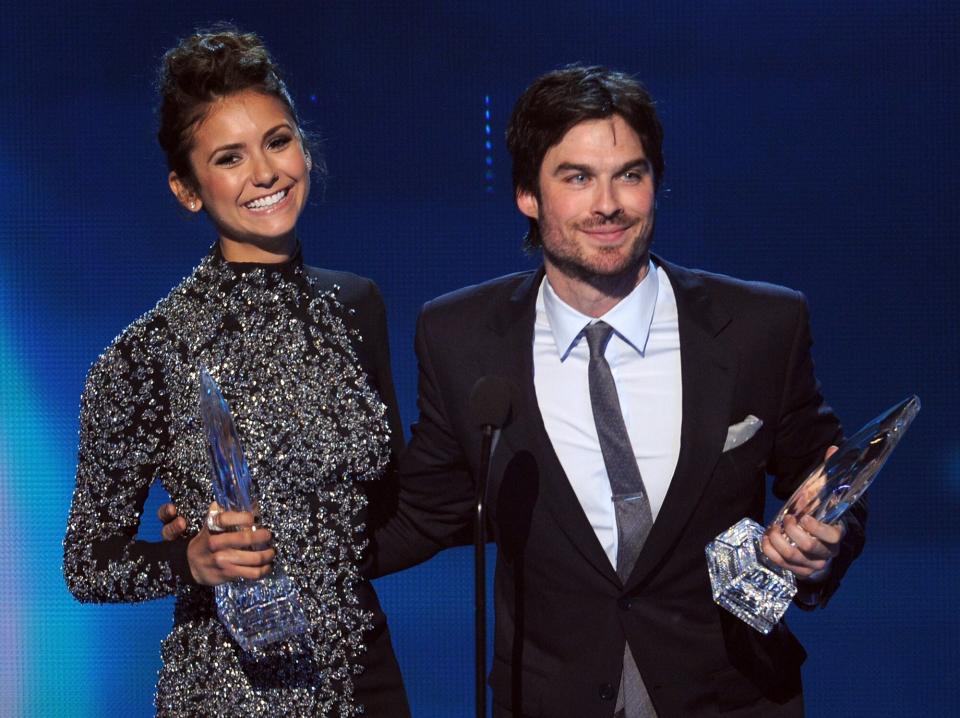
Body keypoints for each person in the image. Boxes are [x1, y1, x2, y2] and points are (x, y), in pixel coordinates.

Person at [365, 66, 867, 716]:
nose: (608, 204)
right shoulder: (460, 335)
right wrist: (277, 553)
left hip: (730, 695)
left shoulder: (760, 326)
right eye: (577, 178)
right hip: (550, 697)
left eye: (630, 174)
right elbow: (425, 510)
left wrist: (824, 544)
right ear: (527, 192)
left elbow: (828, 479)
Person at [63, 28, 409, 717]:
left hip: (365, 676)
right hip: (232, 688)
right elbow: (87, 564)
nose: (266, 172)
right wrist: (189, 560)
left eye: (278, 141)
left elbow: (387, 505)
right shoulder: (149, 353)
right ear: (188, 189)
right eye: (229, 157)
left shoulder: (356, 306)